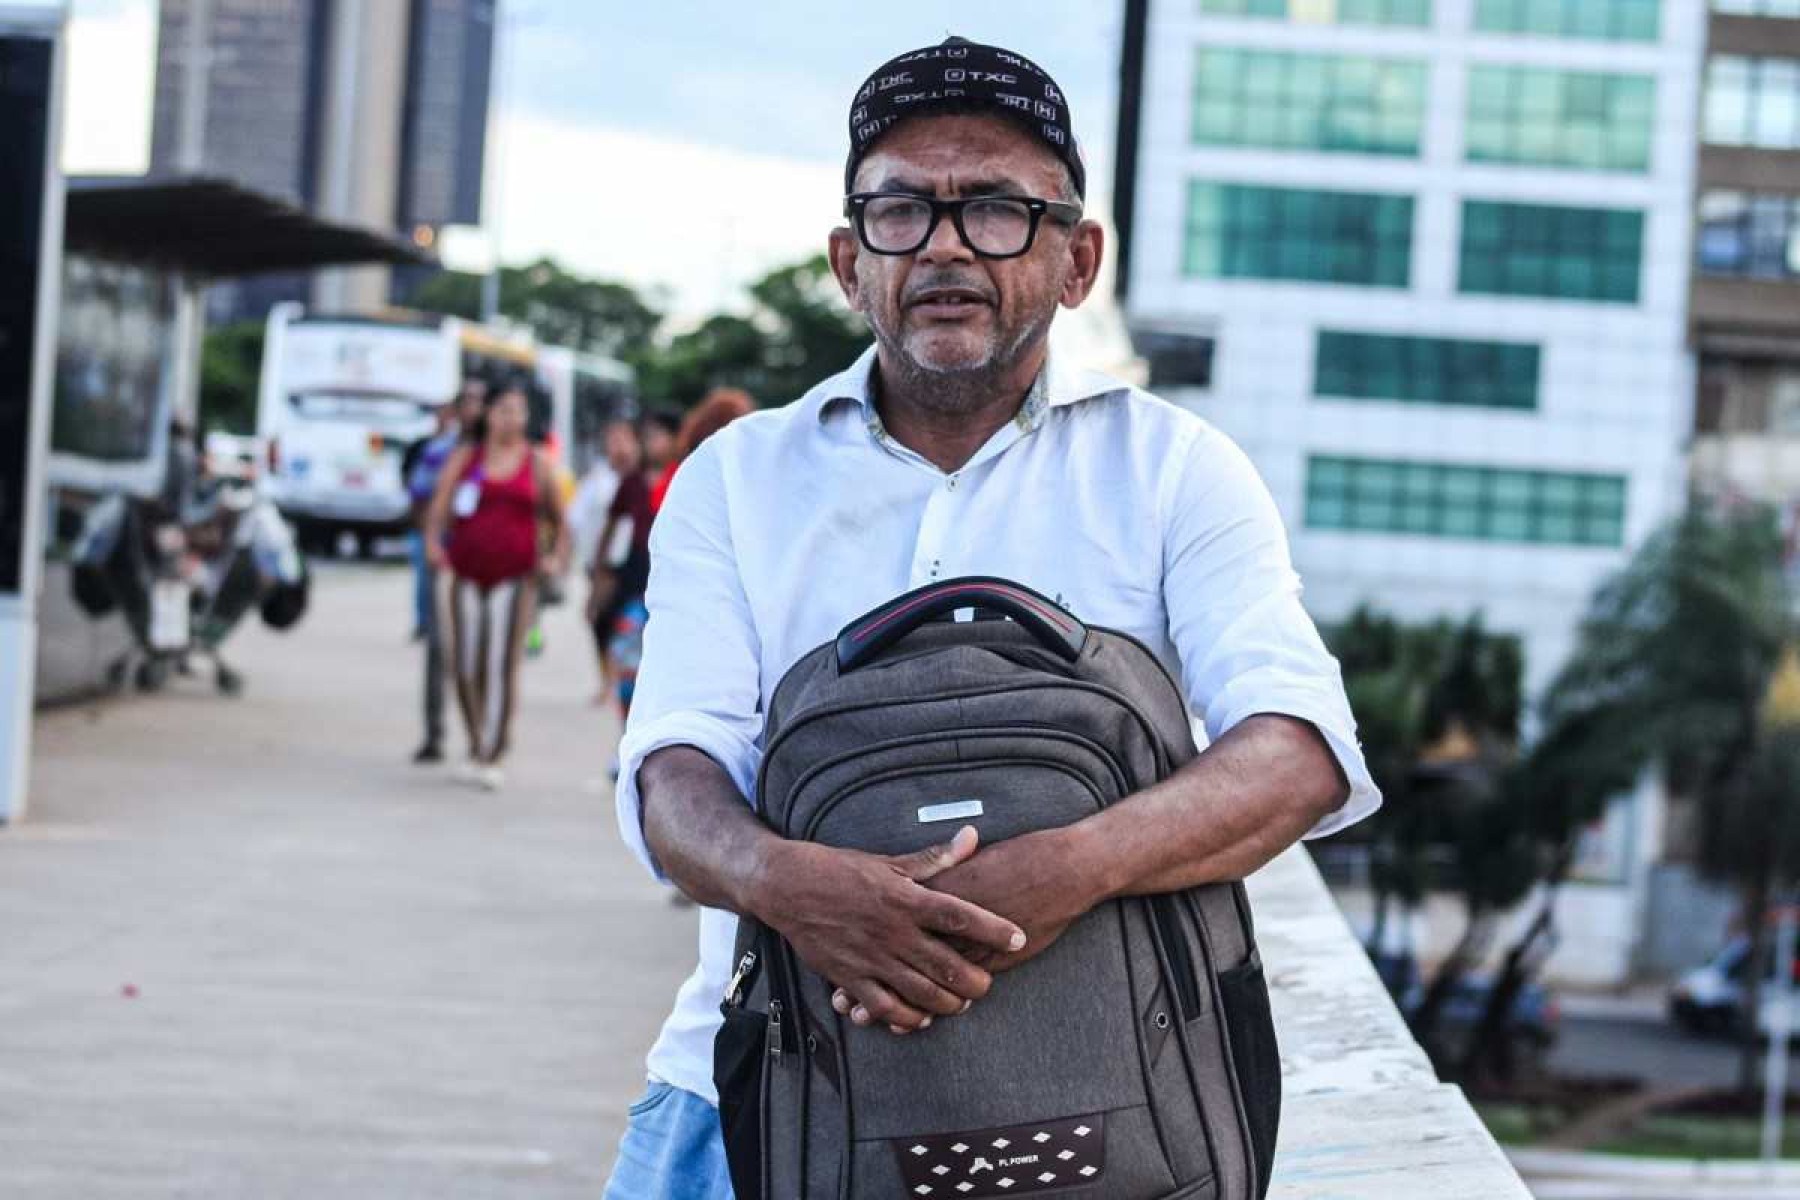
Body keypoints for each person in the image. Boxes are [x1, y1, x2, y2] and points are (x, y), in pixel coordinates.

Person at [602, 37, 1382, 1197]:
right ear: (847, 260)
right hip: (752, 1103)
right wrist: (790, 886)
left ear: (1078, 260)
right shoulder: (737, 479)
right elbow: (674, 772)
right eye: (902, 210)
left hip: (1110, 1125)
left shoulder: (1175, 471)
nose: (948, 244)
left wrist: (1060, 870)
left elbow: (1299, 752)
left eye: (1000, 210)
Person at [423, 379, 570, 791]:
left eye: (519, 411)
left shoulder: (537, 462)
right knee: (465, 660)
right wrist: (434, 545)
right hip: (466, 571)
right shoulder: (466, 458)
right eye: (504, 409)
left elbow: (560, 521)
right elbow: (438, 509)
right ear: (488, 414)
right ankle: (474, 742)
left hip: (516, 575)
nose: (512, 419)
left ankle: (494, 750)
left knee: (502, 664)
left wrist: (555, 557)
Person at [402, 378, 485, 764]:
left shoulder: (504, 456)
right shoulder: (439, 452)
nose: (473, 409)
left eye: (480, 402)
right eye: (466, 402)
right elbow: (418, 500)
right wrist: (434, 539)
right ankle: (434, 732)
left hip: (489, 567)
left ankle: (481, 734)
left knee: (482, 650)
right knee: (440, 646)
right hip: (445, 562)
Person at [588, 408, 681, 729]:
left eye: (657, 436)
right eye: (646, 437)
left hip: (674, 585)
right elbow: (610, 528)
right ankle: (628, 735)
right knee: (627, 658)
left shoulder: (683, 475)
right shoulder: (632, 483)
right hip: (634, 582)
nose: (649, 443)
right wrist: (598, 575)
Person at [570, 420, 643, 701]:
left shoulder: (644, 478)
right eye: (612, 440)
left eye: (623, 439)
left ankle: (620, 675)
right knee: (599, 620)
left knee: (623, 621)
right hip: (603, 563)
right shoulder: (597, 479)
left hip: (633, 563)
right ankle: (607, 677)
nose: (618, 446)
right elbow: (575, 518)